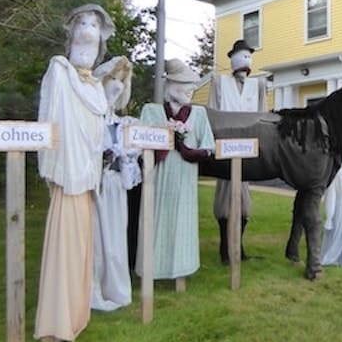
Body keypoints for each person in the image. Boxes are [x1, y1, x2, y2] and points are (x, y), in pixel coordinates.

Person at [34, 3, 115, 342]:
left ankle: (77, 315)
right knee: (64, 249)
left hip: (87, 180)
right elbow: (49, 121)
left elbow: (99, 128)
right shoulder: (59, 71)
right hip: (68, 177)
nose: (88, 33)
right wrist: (52, 166)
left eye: (95, 28)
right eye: (83, 25)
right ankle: (56, 323)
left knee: (82, 251)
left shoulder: (94, 86)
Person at [136, 58, 215, 285]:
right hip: (157, 180)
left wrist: (187, 148)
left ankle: (181, 270)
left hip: (184, 180)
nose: (190, 90)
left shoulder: (198, 115)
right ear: (170, 85)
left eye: (192, 85)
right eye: (184, 84)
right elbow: (139, 145)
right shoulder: (151, 111)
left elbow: (208, 147)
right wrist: (163, 140)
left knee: (182, 223)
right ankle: (151, 271)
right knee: (155, 221)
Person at [208, 39, 267, 263]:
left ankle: (238, 247)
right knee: (225, 196)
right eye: (241, 57)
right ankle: (226, 248)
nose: (245, 63)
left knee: (244, 198)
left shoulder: (257, 86)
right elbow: (212, 112)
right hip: (226, 144)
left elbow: (262, 115)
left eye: (248, 57)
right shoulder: (220, 83)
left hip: (247, 147)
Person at [90, 56, 141, 311]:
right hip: (93, 187)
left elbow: (130, 165)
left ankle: (116, 288)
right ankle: (94, 288)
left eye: (122, 80)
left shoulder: (122, 124)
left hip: (114, 187)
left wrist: (125, 154)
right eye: (114, 79)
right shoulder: (90, 119)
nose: (118, 86)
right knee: (96, 241)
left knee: (115, 238)